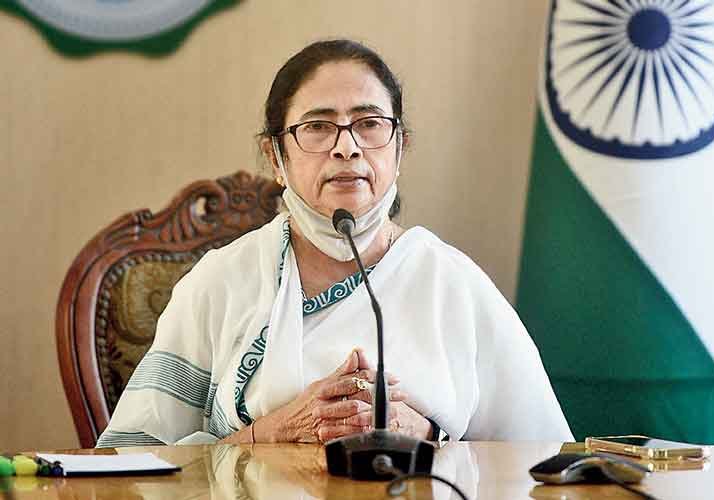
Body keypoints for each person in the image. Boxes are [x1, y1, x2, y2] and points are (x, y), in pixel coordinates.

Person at [97, 39, 572, 447]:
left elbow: (542, 466)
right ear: (275, 156)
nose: (347, 147)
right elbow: (133, 469)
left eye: (369, 124)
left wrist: (429, 434)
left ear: (400, 147)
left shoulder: (454, 283)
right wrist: (273, 432)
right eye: (318, 127)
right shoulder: (221, 282)